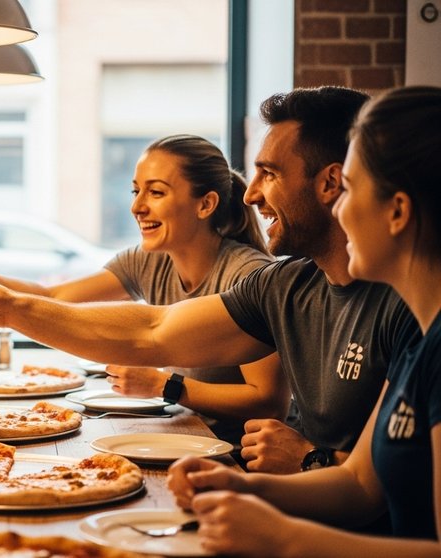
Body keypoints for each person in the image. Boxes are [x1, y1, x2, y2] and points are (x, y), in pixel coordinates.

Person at [0, 86, 420, 475]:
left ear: (333, 184)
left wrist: (308, 461)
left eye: (270, 174)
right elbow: (151, 330)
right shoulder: (285, 285)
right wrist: (8, 309)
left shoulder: (408, 307)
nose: (251, 193)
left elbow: (373, 486)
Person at [166, 85, 441, 555]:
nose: (340, 209)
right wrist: (241, 485)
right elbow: (359, 484)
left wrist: (284, 537)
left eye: (350, 189)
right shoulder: (422, 338)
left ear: (397, 211)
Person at [0, 135, 287, 448]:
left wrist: (166, 385)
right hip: (181, 436)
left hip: (234, 454)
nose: (137, 207)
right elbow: (54, 298)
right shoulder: (148, 260)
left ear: (205, 204)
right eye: (135, 191)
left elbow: (268, 401)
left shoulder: (247, 274)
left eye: (155, 193)